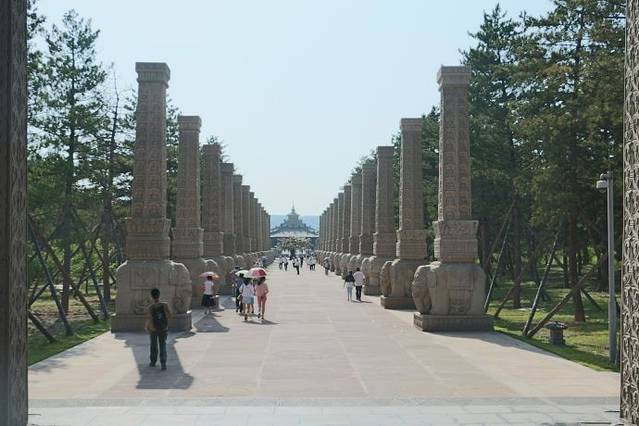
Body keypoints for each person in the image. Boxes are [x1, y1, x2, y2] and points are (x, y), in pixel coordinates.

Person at [145, 288, 173, 370]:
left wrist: (146, 327)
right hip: (163, 328)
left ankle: (153, 362)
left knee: (153, 345)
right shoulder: (165, 305)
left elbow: (149, 318)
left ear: (151, 296)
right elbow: (170, 315)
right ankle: (163, 363)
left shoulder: (150, 307)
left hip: (153, 329)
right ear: (159, 295)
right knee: (162, 345)